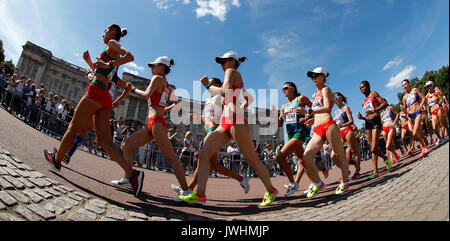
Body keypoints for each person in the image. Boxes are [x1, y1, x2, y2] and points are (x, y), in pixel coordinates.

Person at [42, 24, 144, 197]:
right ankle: (133, 175)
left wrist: (108, 63)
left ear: (113, 31)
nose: (102, 33)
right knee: (105, 142)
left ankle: (57, 159)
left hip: (96, 90)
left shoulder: (112, 43)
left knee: (73, 127)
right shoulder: (110, 47)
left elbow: (130, 56)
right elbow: (106, 71)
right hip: (105, 96)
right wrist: (93, 63)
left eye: (105, 30)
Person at [177, 51, 278, 207]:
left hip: (236, 120)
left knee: (252, 158)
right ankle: (200, 194)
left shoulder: (232, 72)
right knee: (204, 154)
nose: (222, 66)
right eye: (221, 63)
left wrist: (208, 86)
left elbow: (227, 92)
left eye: (224, 62)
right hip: (225, 121)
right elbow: (238, 97)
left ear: (232, 62)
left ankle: (271, 190)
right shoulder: (230, 76)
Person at [120, 56, 191, 199]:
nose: (151, 69)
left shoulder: (157, 79)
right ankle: (130, 177)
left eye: (153, 66)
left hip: (156, 123)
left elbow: (146, 96)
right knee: (126, 146)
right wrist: (164, 109)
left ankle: (187, 191)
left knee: (171, 158)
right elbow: (176, 103)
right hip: (154, 122)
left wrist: (133, 89)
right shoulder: (166, 85)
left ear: (161, 67)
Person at [172, 78, 250, 194]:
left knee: (202, 160)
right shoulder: (209, 100)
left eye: (211, 83)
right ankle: (241, 179)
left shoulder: (219, 97)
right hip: (207, 130)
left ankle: (188, 189)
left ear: (217, 85)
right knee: (213, 165)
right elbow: (206, 118)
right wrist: (197, 117)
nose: (209, 86)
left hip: (214, 130)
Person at [299, 67, 350, 198]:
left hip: (329, 125)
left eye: (316, 75)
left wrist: (310, 112)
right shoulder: (314, 95)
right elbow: (317, 111)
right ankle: (318, 182)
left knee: (339, 155)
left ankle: (345, 182)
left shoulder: (326, 90)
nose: (314, 78)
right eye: (312, 76)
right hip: (317, 129)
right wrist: (310, 119)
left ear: (323, 76)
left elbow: (327, 108)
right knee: (306, 157)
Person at [275, 81, 321, 197]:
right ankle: (316, 183)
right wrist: (278, 116)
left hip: (300, 132)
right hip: (290, 134)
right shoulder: (284, 106)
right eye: (283, 89)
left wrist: (307, 118)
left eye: (286, 88)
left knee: (280, 157)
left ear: (293, 89)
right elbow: (279, 124)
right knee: (302, 160)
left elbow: (316, 110)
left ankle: (293, 183)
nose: (284, 91)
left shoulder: (301, 99)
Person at [357, 80, 393, 180]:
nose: (362, 89)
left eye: (363, 87)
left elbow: (384, 103)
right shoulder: (363, 102)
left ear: (368, 86)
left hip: (376, 120)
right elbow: (367, 115)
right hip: (367, 123)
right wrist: (362, 118)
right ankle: (375, 171)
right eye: (360, 88)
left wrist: (374, 110)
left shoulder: (374, 94)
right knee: (373, 148)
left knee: (373, 148)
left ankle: (386, 159)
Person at [332, 92, 362, 181]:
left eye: (336, 98)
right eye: (334, 99)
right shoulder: (335, 111)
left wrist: (342, 125)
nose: (335, 101)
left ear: (341, 98)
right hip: (340, 134)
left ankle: (357, 172)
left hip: (347, 130)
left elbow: (351, 121)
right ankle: (346, 170)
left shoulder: (346, 108)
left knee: (354, 151)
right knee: (334, 155)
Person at [401, 79, 429, 158]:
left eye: (405, 84)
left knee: (415, 131)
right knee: (416, 133)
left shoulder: (415, 90)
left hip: (417, 112)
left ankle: (422, 147)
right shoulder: (404, 97)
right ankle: (423, 148)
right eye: (403, 85)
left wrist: (420, 106)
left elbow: (424, 98)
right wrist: (404, 112)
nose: (404, 86)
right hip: (410, 115)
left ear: (409, 84)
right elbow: (405, 109)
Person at [380, 100, 402, 164]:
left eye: (381, 103)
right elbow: (382, 122)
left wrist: (395, 122)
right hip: (384, 129)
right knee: (388, 145)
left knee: (388, 145)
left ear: (385, 102)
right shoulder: (381, 113)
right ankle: (392, 157)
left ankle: (395, 154)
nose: (380, 105)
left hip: (391, 127)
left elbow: (397, 114)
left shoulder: (389, 108)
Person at [425, 81, 446, 146]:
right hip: (432, 111)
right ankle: (439, 137)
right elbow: (427, 105)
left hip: (438, 109)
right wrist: (428, 113)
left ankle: (442, 138)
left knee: (442, 123)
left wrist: (439, 103)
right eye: (427, 87)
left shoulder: (436, 92)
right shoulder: (427, 95)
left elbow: (441, 99)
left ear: (432, 85)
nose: (428, 87)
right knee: (434, 127)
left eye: (429, 86)